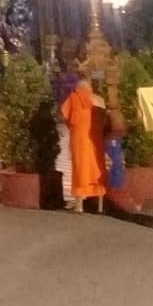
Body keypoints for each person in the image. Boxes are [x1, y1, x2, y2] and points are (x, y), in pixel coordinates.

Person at [61, 78, 108, 212]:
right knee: (97, 169)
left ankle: (79, 205)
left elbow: (65, 116)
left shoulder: (74, 97)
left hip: (79, 139)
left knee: (80, 169)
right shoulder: (99, 100)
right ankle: (99, 205)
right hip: (95, 139)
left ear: (78, 88)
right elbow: (105, 121)